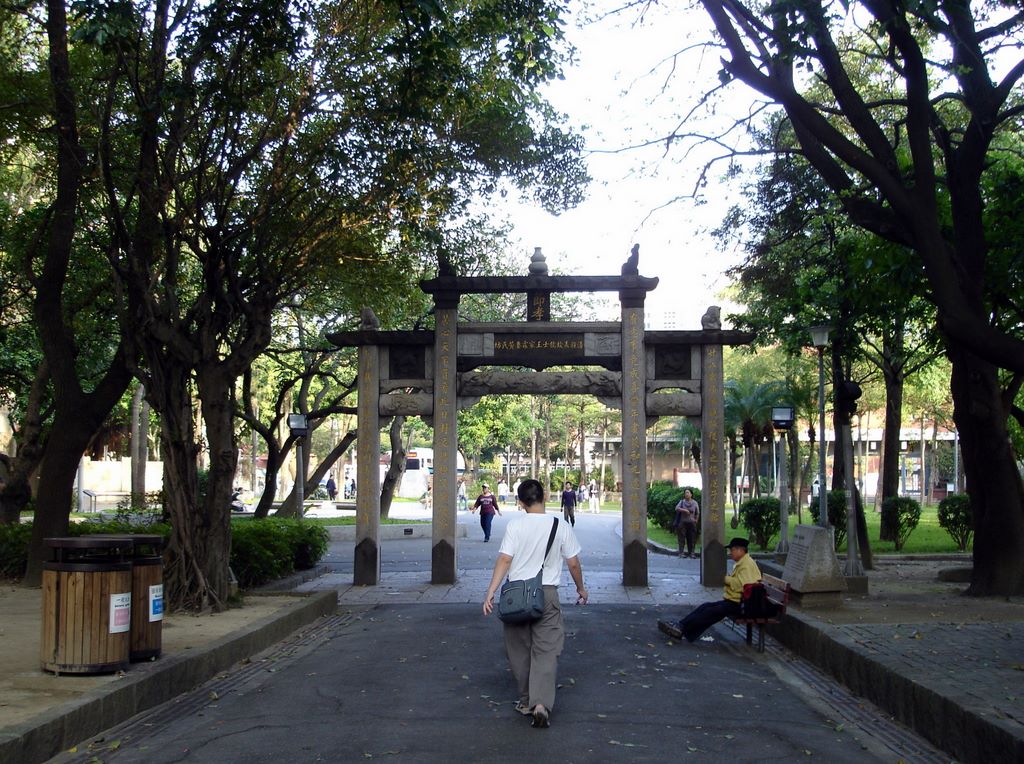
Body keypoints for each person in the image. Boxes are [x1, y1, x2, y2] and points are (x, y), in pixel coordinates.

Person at [483, 479, 588, 729]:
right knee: (547, 650)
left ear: (520, 502)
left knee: (519, 649)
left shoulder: (515, 526)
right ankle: (540, 704)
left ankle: (526, 701)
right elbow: (573, 563)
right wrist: (581, 588)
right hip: (547, 593)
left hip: (516, 595)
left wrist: (491, 591)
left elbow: (505, 560)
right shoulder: (560, 525)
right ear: (545, 496)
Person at [657, 537, 761, 643]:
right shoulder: (743, 562)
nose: (730, 553)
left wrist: (725, 578)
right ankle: (681, 626)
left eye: (732, 550)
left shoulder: (746, 565)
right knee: (705, 606)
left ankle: (682, 630)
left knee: (711, 612)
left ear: (740, 550)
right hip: (734, 601)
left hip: (741, 605)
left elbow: (743, 586)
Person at [672, 489, 700, 557]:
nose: (686, 494)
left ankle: (692, 553)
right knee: (681, 538)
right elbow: (676, 508)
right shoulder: (682, 502)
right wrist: (684, 510)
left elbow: (697, 513)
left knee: (692, 539)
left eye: (688, 493)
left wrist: (696, 520)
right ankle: (681, 553)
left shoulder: (695, 503)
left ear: (691, 494)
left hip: (692, 523)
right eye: (685, 493)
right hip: (682, 523)